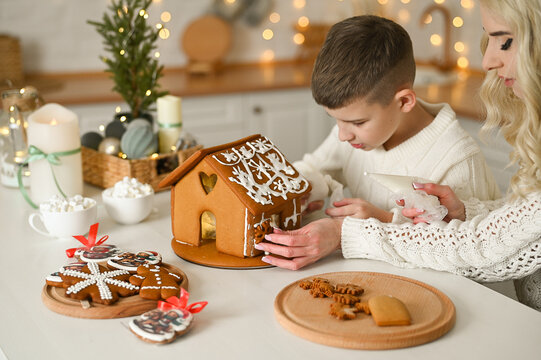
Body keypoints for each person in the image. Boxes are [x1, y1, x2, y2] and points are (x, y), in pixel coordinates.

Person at [257, 1, 541, 311]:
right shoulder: (358, 134)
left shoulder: (456, 159)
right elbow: (515, 223)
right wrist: (303, 188)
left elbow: (473, 257)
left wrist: (352, 231)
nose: (486, 60)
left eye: (505, 41)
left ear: (404, 101)